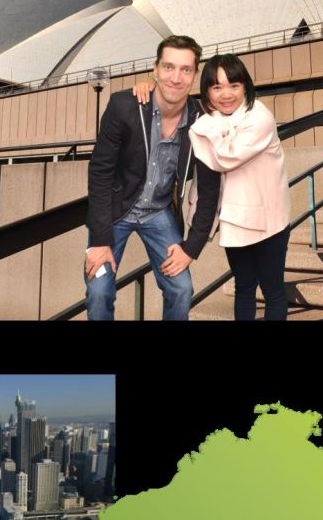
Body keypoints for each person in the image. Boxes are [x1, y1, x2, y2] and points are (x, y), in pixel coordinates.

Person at [134, 54, 290, 320]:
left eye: (234, 85)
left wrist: (204, 124)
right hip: (235, 219)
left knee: (272, 290)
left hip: (268, 221)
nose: (226, 94)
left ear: (246, 86)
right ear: (206, 90)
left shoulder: (258, 116)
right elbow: (173, 96)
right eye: (216, 87)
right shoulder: (213, 118)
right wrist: (148, 84)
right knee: (243, 289)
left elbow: (227, 157)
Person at [85, 35, 222, 320]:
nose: (176, 77)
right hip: (115, 211)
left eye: (185, 70)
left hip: (159, 213)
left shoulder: (202, 120)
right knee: (99, 291)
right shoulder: (125, 106)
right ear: (155, 69)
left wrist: (190, 249)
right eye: (168, 67)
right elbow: (100, 173)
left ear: (195, 75)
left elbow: (209, 193)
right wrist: (99, 240)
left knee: (181, 289)